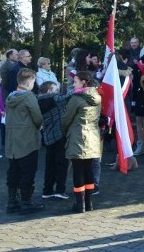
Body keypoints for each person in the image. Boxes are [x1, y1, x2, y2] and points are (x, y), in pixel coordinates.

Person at [5, 68, 44, 215]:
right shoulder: (29, 97)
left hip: (12, 140)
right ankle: (26, 202)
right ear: (30, 82)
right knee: (28, 171)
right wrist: (40, 126)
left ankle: (12, 202)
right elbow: (37, 117)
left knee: (13, 170)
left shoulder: (10, 96)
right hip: (27, 139)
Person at [62, 70, 102, 214]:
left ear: (83, 82)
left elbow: (66, 119)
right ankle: (89, 203)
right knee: (89, 169)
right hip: (93, 136)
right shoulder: (97, 96)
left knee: (78, 171)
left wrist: (65, 130)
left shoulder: (76, 98)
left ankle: (80, 204)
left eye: (76, 81)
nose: (73, 84)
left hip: (78, 136)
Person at [38, 81, 70, 200]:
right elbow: (69, 96)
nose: (58, 91)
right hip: (60, 135)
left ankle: (47, 190)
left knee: (49, 163)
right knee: (62, 163)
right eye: (55, 89)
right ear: (49, 90)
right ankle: (60, 190)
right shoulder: (55, 99)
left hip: (47, 136)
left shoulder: (38, 100)